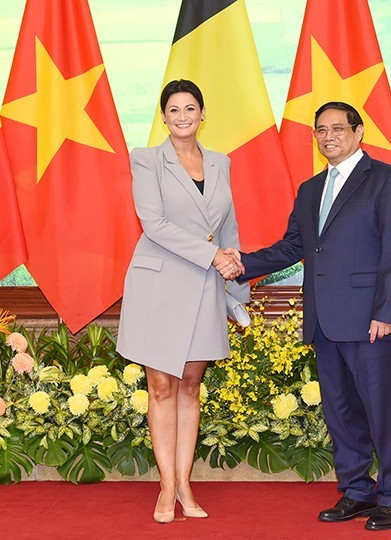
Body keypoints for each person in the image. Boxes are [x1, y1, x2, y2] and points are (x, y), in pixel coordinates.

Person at [234, 102, 391, 531]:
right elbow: (292, 247)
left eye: (337, 128)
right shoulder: (311, 189)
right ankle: (356, 491)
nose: (328, 136)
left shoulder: (387, 180)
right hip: (324, 320)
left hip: (372, 321)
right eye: (320, 130)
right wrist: (241, 263)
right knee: (340, 412)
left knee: (381, 412)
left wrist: (385, 311)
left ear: (358, 132)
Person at [116, 79, 248, 524]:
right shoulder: (147, 160)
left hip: (208, 286)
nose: (182, 116)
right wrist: (212, 255)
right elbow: (153, 225)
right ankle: (165, 486)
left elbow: (228, 231)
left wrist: (235, 292)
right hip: (159, 285)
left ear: (203, 113)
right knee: (161, 387)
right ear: (164, 116)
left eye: (190, 108)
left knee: (190, 386)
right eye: (173, 110)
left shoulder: (221, 162)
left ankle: (186, 483)